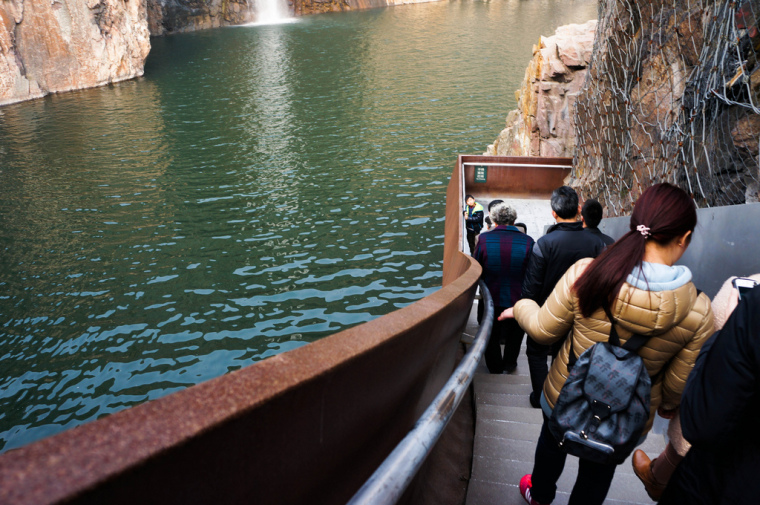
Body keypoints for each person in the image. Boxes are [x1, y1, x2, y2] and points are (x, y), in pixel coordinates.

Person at [499, 182, 714, 505]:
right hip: (625, 416)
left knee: (551, 446)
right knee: (597, 475)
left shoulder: (586, 274)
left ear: (635, 225)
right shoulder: (699, 311)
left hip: (565, 393)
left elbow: (543, 331)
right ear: (684, 238)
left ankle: (540, 495)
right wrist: (666, 405)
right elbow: (673, 392)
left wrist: (521, 307)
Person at [633, 273, 760, 502]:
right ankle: (657, 475)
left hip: (725, 474)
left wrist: (728, 336)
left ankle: (657, 478)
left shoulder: (750, 300)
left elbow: (702, 420)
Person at [521, 186, 607, 407]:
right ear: (578, 209)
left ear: (554, 213)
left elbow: (531, 288)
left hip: (546, 311)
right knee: (568, 354)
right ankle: (563, 398)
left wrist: (525, 310)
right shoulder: (597, 244)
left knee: (537, 352)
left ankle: (540, 397)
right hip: (583, 313)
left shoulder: (544, 244)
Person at [473, 202, 534, 374]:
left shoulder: (484, 239)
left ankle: (494, 366)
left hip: (491, 294)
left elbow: (476, 267)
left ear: (494, 220)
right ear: (514, 220)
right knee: (516, 333)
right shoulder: (528, 242)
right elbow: (532, 272)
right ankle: (510, 363)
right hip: (518, 298)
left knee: (490, 332)